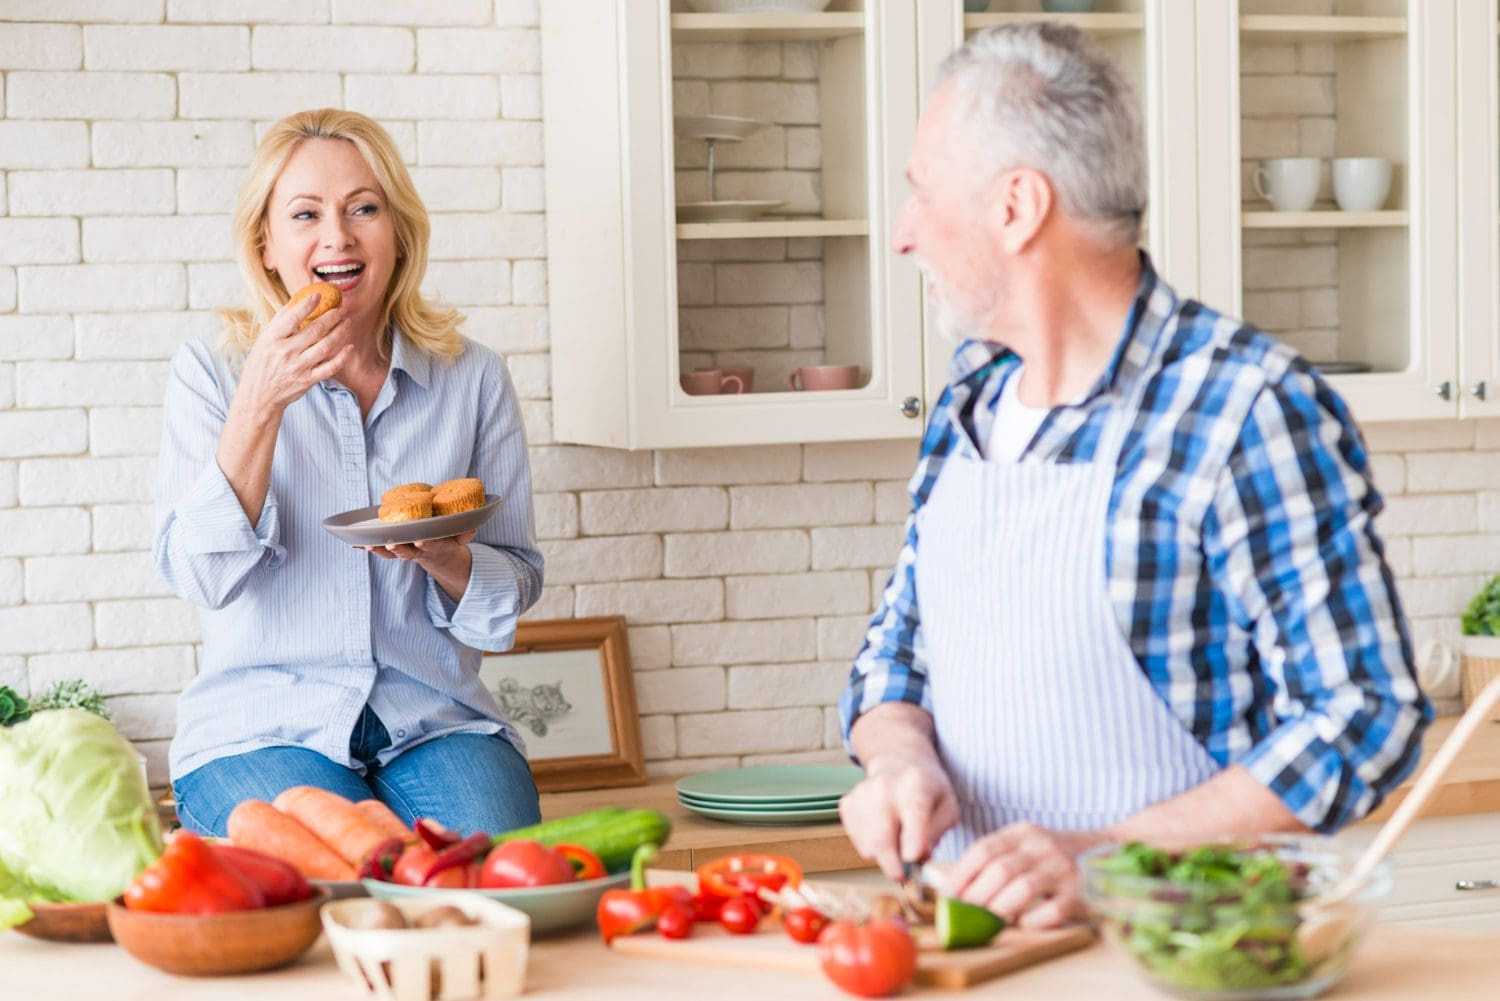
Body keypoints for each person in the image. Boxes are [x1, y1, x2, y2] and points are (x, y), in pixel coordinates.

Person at [838, 24, 1431, 930]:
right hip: (970, 950)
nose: (902, 233)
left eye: (921, 191)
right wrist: (897, 758)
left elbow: (1363, 717)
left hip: (1183, 952)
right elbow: (898, 650)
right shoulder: (971, 399)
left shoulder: (1240, 406)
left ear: (1016, 207)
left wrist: (1116, 856)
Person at [155, 108, 545, 838]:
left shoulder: (473, 377)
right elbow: (201, 576)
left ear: (397, 233)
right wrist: (261, 401)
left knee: (489, 872)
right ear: (267, 243)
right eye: (306, 214)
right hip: (259, 725)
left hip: (435, 718)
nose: (337, 236)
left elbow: (514, 585)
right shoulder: (212, 371)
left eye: (363, 208)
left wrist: (449, 556)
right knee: (336, 872)